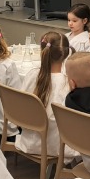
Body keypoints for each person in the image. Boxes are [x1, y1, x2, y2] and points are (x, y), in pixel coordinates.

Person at [17, 31, 76, 163]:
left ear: (42, 50)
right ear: (67, 53)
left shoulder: (32, 75)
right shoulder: (66, 83)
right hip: (55, 146)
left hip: (29, 141)